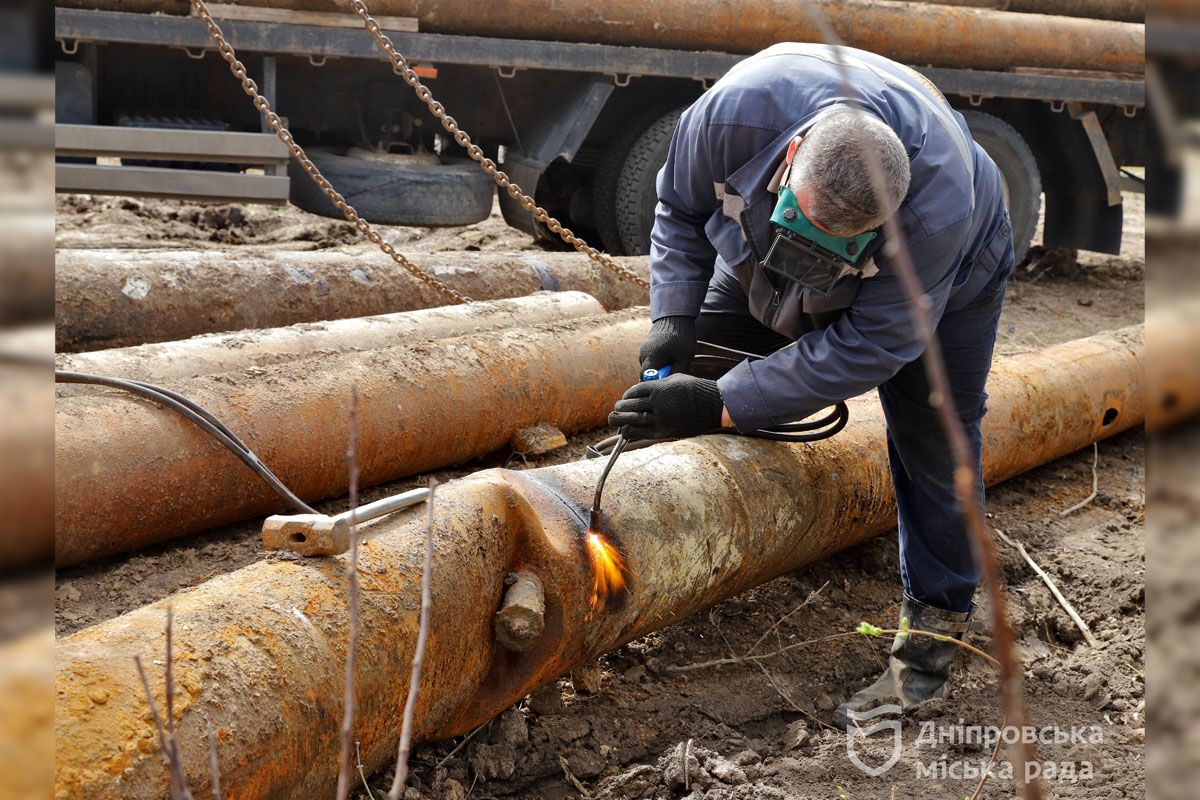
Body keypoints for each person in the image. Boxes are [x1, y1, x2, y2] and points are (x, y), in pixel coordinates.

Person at [607, 42, 1015, 730]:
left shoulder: (935, 215)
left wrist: (725, 402)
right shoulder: (734, 116)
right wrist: (673, 316)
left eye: (841, 236)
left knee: (934, 433)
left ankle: (928, 648)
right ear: (791, 156)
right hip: (761, 244)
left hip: (950, 278)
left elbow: (874, 345)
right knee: (697, 360)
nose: (819, 243)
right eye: (810, 218)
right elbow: (677, 210)